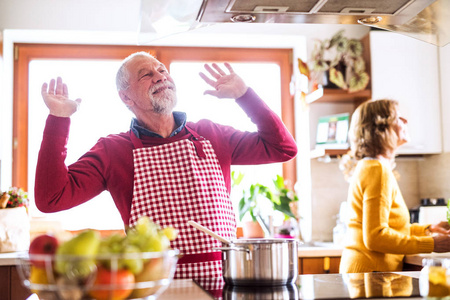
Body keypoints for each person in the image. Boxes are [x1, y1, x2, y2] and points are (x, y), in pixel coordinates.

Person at [35, 51, 297, 286]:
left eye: (162, 70)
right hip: (155, 287)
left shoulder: (211, 134)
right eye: (146, 74)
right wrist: (59, 119)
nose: (159, 76)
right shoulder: (113, 151)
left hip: (223, 283)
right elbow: (51, 198)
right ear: (126, 96)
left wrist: (245, 96)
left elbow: (283, 148)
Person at [339, 99, 450, 273]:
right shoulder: (377, 170)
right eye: (398, 118)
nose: (405, 121)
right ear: (381, 129)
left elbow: (391, 228)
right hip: (369, 274)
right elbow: (376, 237)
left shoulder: (371, 166)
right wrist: (433, 243)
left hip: (364, 272)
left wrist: (428, 229)